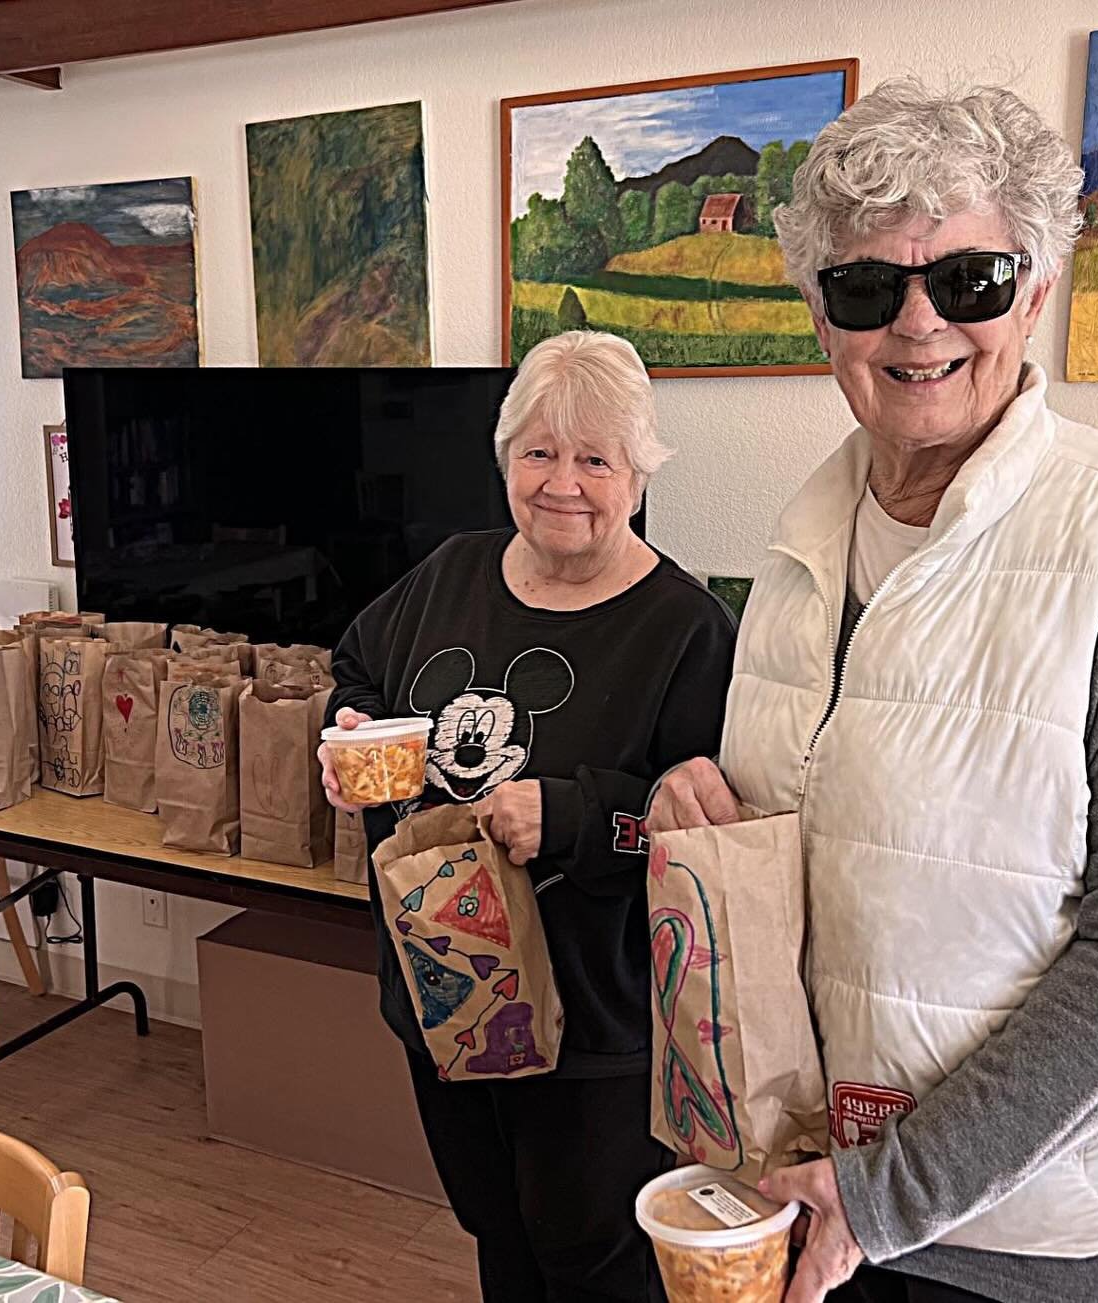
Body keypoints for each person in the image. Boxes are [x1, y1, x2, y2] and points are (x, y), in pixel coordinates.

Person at [650, 80, 1098, 1303]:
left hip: (1055, 1235)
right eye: (869, 289)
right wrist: (710, 819)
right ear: (823, 322)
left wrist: (898, 1188)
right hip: (829, 1191)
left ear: (1034, 292)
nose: (919, 326)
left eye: (967, 280)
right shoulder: (805, 538)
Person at [321, 330, 737, 1302]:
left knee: (589, 1254)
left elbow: (712, 844)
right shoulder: (451, 573)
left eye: (595, 457)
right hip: (446, 995)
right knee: (495, 1230)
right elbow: (358, 673)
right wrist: (352, 741)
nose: (563, 481)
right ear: (506, 458)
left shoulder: (686, 629)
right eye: (539, 452)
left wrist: (578, 816)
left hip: (595, 1025)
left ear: (638, 473)